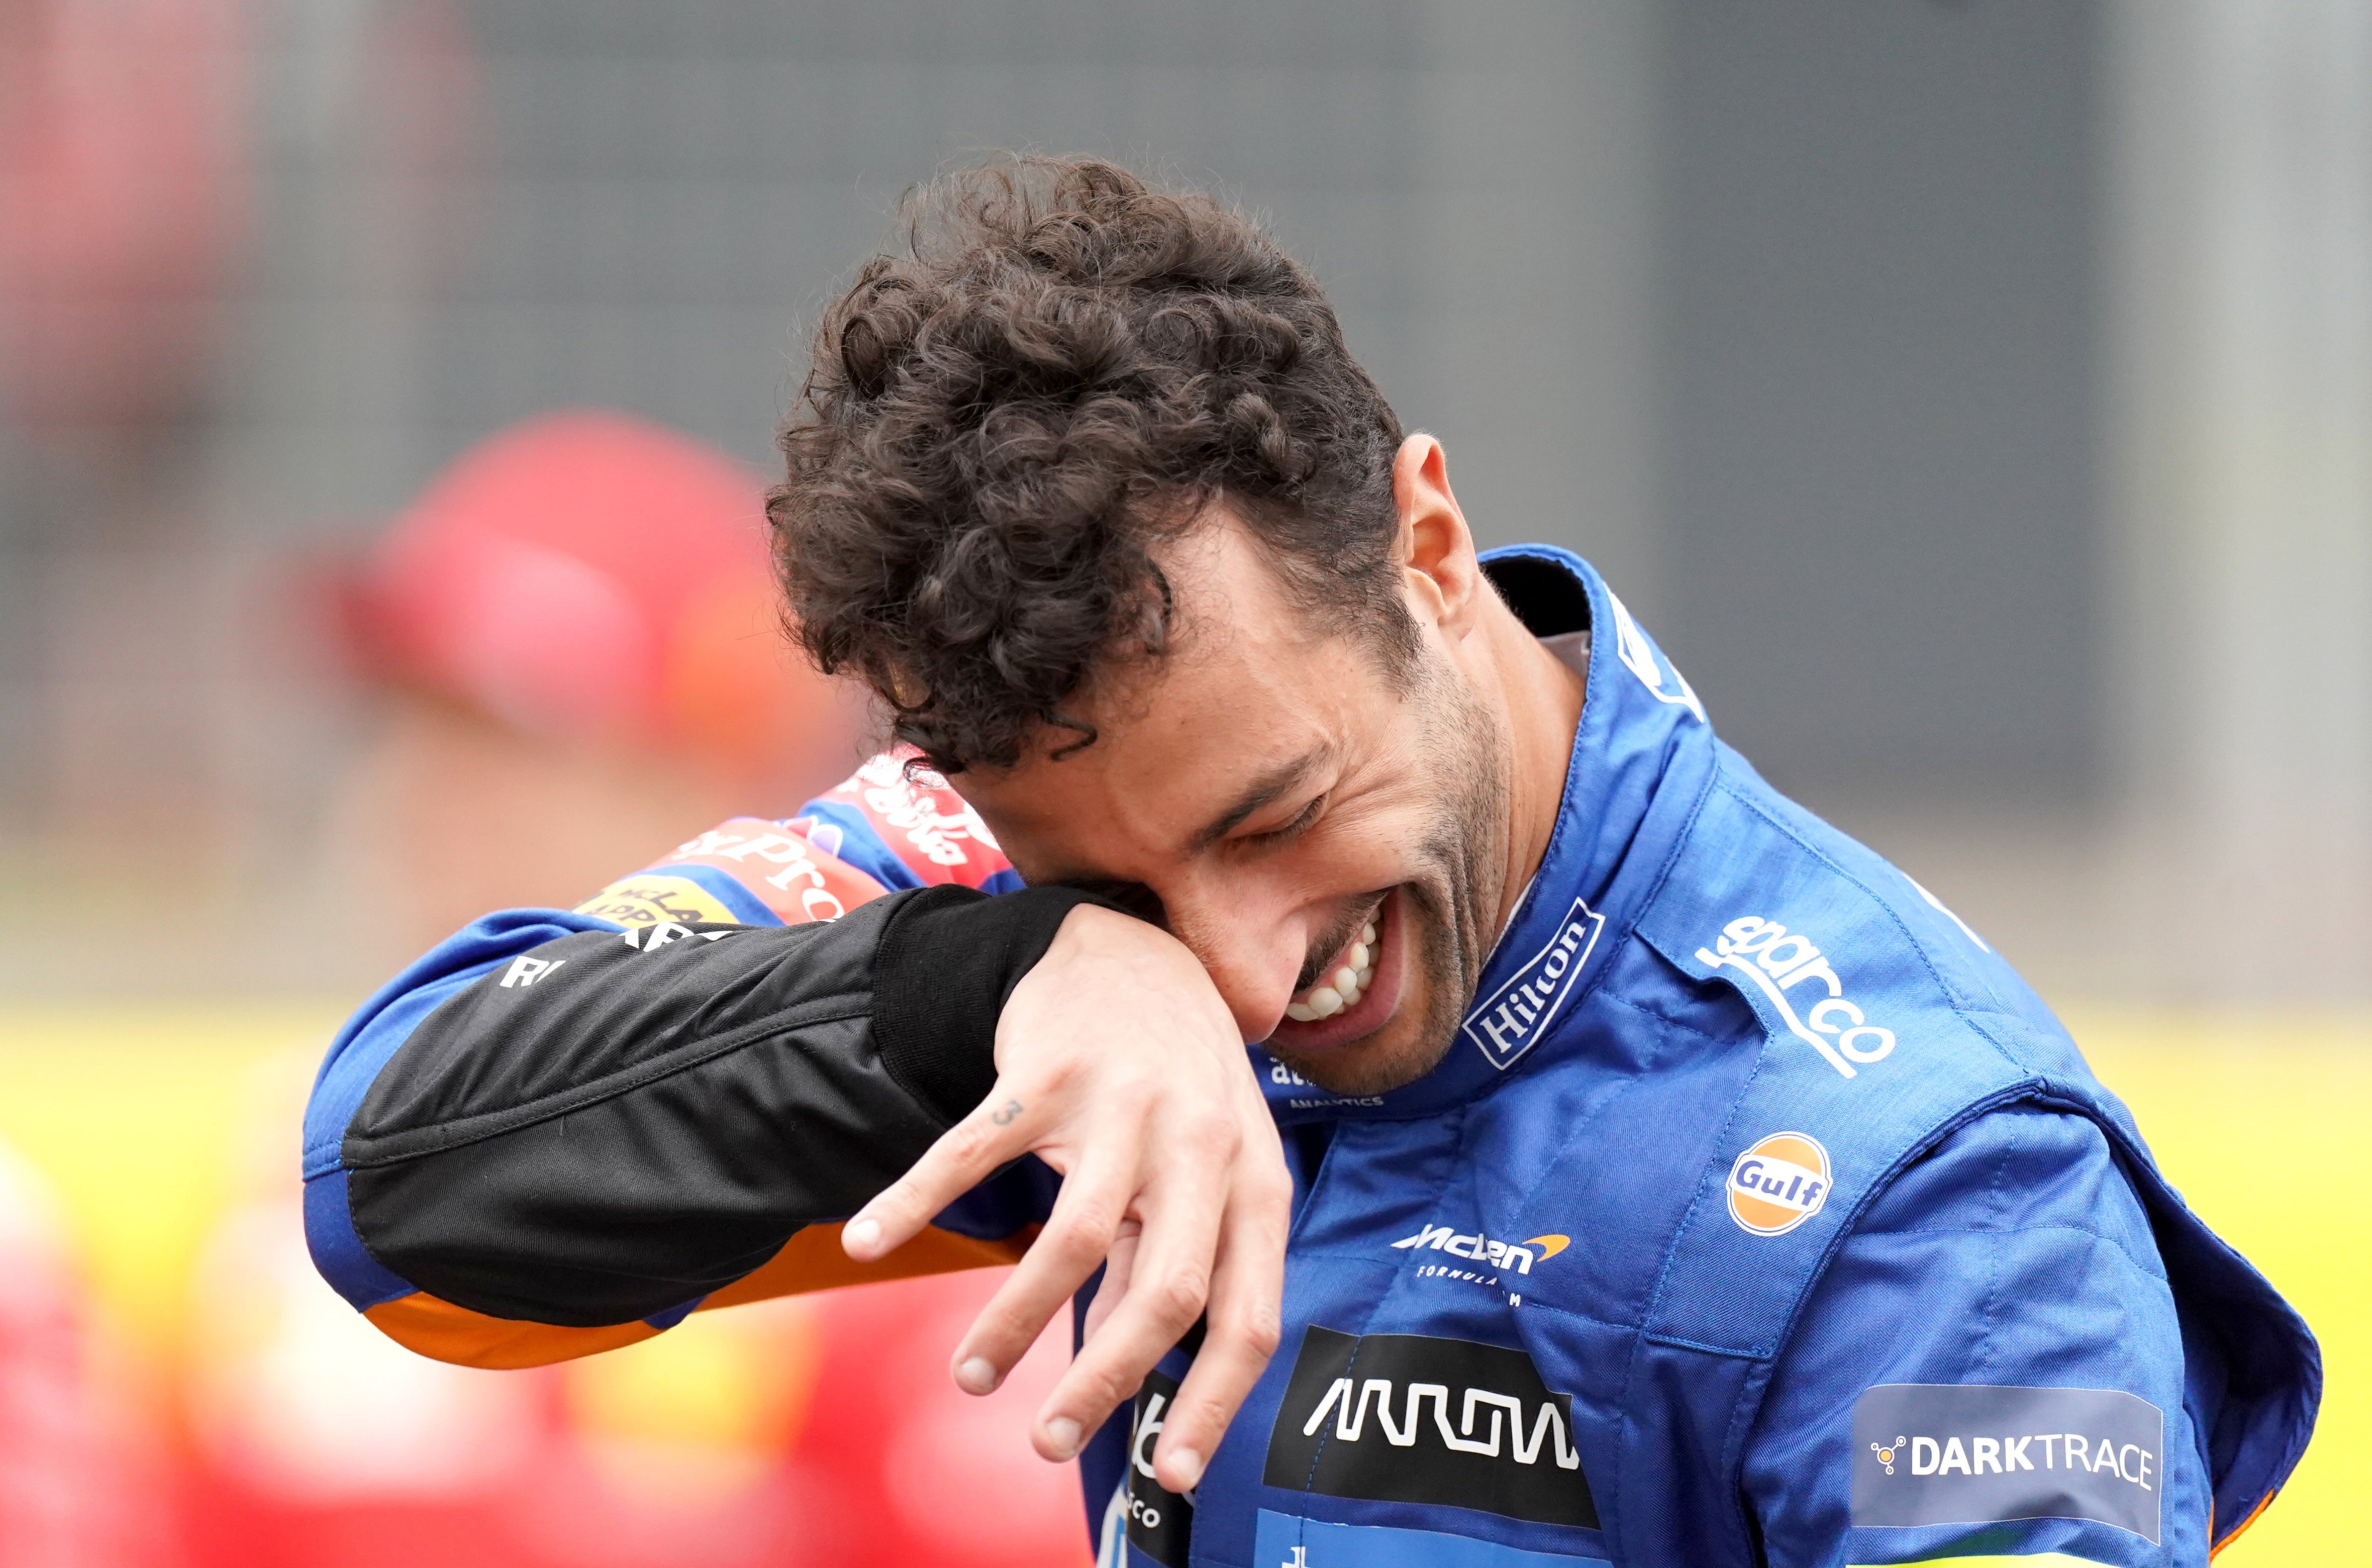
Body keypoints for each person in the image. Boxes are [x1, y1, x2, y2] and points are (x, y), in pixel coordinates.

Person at [302, 159, 2317, 1568]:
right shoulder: (1044, 910)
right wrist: (1005, 985)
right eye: (1126, 889)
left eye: (1273, 820)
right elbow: (394, 1191)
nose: (1247, 976)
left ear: (1428, 555)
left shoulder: (1937, 1200)